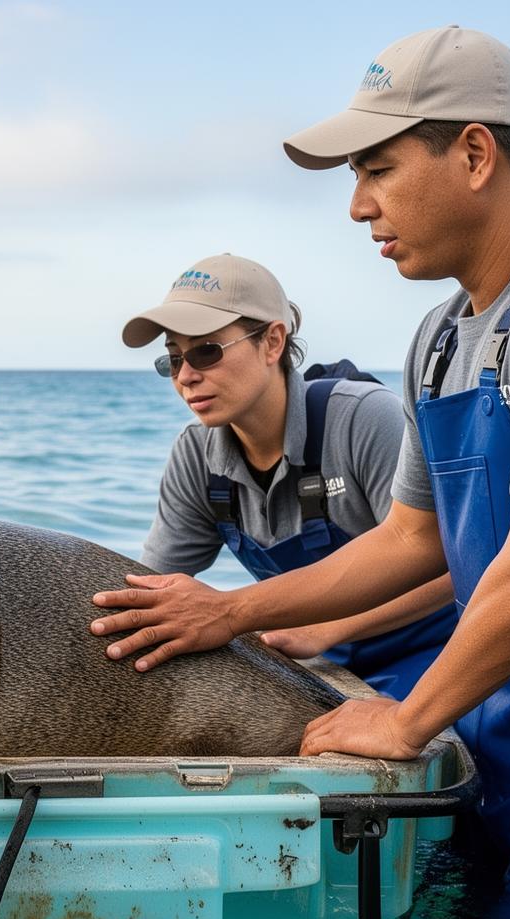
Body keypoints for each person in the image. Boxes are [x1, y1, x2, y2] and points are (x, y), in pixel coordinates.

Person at [90, 27, 510, 913]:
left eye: (377, 170)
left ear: (475, 152)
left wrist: (405, 719)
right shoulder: (441, 336)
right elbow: (413, 537)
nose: (359, 207)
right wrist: (230, 611)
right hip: (503, 711)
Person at [124, 253, 454, 697]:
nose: (186, 377)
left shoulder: (364, 419)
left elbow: (456, 567)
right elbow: (148, 588)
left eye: (206, 351)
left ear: (273, 342)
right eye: (172, 359)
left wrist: (327, 628)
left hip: (439, 653)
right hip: (321, 665)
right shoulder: (195, 456)